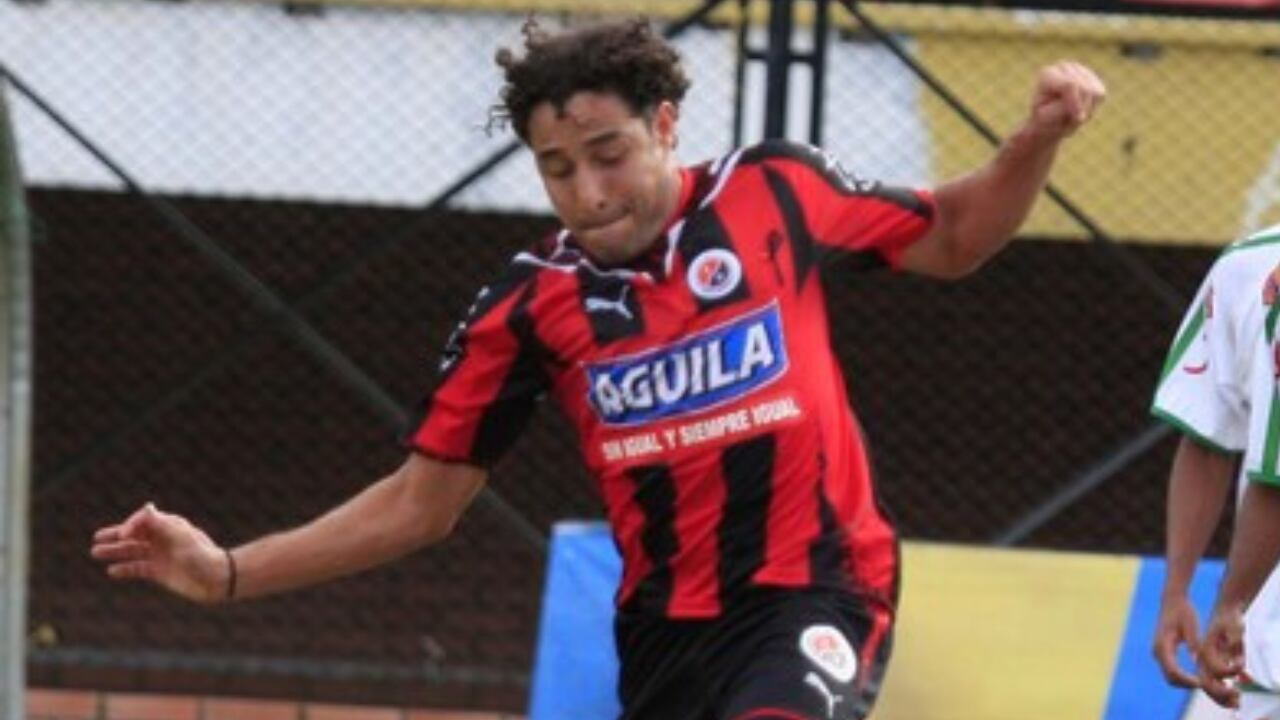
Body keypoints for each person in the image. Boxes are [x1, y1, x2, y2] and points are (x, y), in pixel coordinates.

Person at [90, 19, 1104, 720]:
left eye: (609, 153)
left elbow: (955, 235)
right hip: (665, 632)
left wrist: (1036, 137)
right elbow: (418, 505)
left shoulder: (772, 189)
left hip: (817, 588)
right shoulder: (528, 304)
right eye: (557, 168)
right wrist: (229, 573)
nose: (587, 190)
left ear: (665, 125)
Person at [1151, 224, 1280, 719]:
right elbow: (1208, 437)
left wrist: (1231, 603)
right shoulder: (1243, 267)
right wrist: (1177, 591)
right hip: (1254, 654)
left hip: (1249, 635)